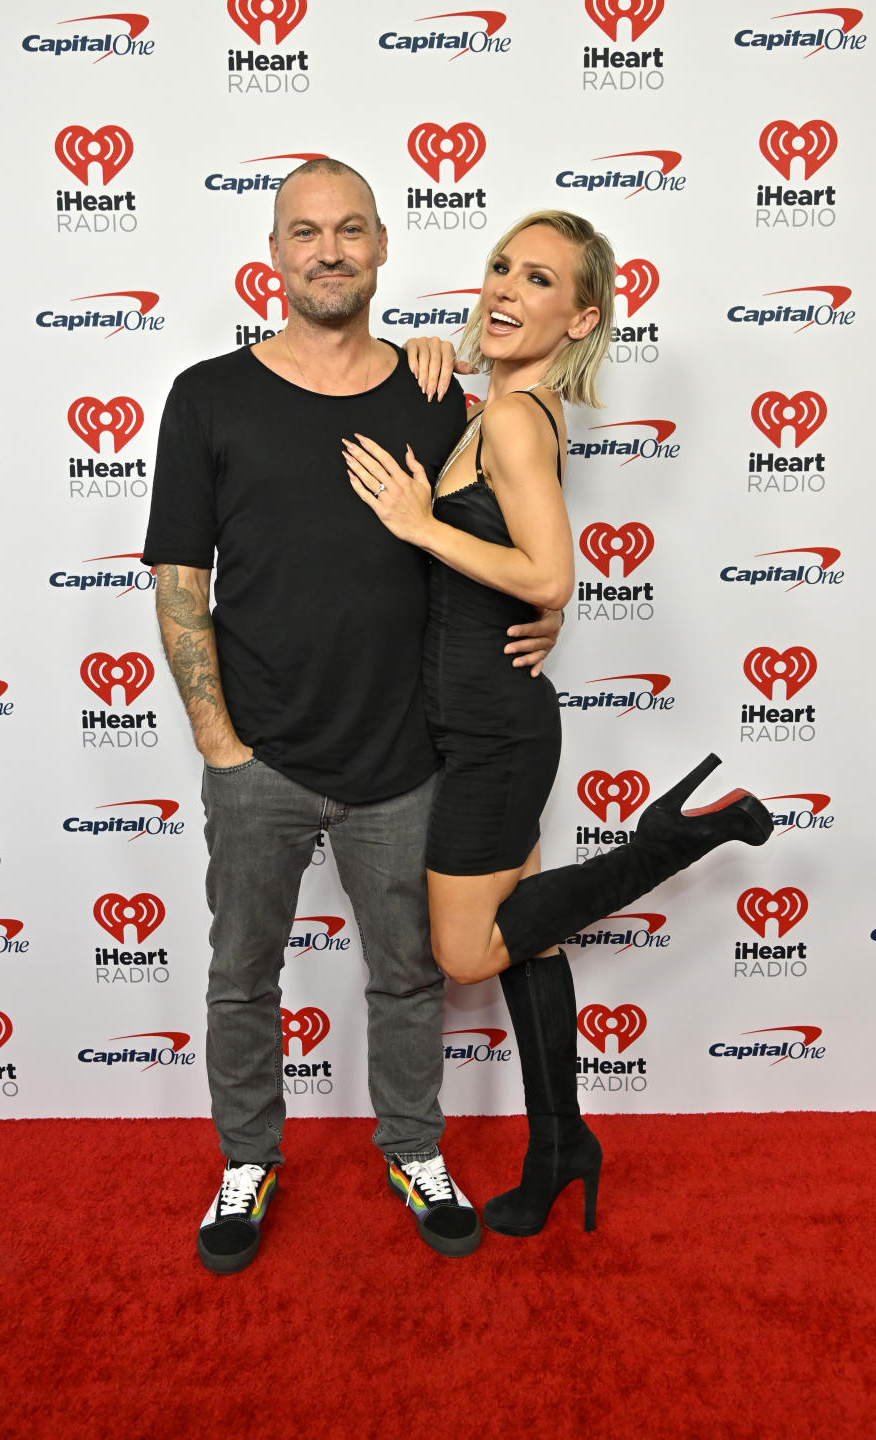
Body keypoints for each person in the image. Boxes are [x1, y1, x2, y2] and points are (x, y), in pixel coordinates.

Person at [141, 159, 564, 1273]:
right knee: (241, 975)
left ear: (382, 247)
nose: (328, 251)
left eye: (350, 231)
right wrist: (218, 743)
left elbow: (495, 542)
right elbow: (181, 578)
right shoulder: (208, 395)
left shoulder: (435, 394)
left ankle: (413, 1146)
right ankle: (248, 1158)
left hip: (407, 755)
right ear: (274, 255)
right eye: (304, 233)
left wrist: (545, 611)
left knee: (410, 975)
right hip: (259, 757)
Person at [345, 209, 774, 1239]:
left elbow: (548, 575)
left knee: (466, 953)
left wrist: (416, 523)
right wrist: (429, 361)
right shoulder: (491, 408)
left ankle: (671, 841)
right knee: (530, 942)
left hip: (493, 732)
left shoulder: (521, 419)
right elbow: (522, 579)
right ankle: (558, 1146)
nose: (505, 288)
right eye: (499, 267)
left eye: (537, 280)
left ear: (580, 316)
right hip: (481, 718)